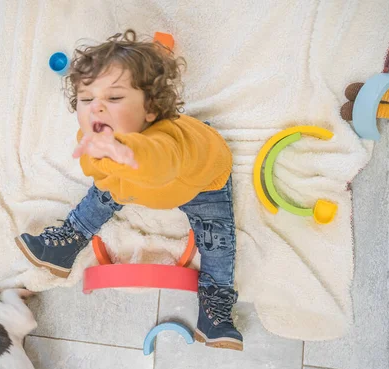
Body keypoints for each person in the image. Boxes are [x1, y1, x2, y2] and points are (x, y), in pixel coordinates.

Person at [16, 30, 242, 350]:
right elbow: (99, 176)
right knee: (101, 196)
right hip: (131, 180)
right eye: (86, 99)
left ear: (150, 109)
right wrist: (106, 155)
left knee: (216, 236)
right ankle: (66, 244)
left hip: (200, 179)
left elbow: (159, 162)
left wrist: (126, 152)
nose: (96, 108)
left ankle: (215, 307)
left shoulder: (167, 139)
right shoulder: (98, 139)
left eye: (114, 98)